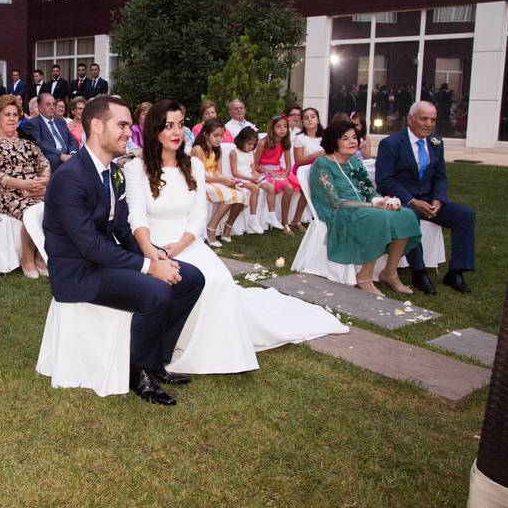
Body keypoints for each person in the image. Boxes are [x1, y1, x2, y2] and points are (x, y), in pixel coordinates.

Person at [123, 100, 346, 375]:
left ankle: (213, 350)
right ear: (154, 129)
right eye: (168, 126)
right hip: (153, 245)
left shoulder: (193, 165)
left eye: (180, 125)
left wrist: (178, 247)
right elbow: (137, 217)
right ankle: (170, 344)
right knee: (182, 284)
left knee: (220, 282)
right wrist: (151, 251)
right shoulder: (136, 168)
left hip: (187, 242)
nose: (176, 131)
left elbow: (198, 217)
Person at [42, 95, 205, 405]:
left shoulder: (111, 171)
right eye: (122, 125)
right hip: (77, 273)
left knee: (192, 278)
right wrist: (147, 267)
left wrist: (154, 253)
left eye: (129, 126)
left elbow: (120, 228)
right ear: (96, 126)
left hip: (101, 261)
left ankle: (156, 359)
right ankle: (138, 372)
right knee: (155, 292)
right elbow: (89, 246)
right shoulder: (70, 178)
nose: (129, 132)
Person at [375, 101, 476, 295]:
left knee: (466, 215)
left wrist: (438, 199)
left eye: (432, 120)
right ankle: (419, 273)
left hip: (430, 200)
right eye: (424, 119)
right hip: (404, 201)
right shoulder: (391, 143)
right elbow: (384, 180)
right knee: (409, 217)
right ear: (410, 119)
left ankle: (456, 272)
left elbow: (440, 176)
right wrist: (412, 201)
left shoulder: (436, 143)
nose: (429, 124)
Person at [313, 121, 423, 295]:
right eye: (345, 138)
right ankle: (363, 277)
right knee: (379, 218)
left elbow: (369, 191)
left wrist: (382, 200)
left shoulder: (354, 163)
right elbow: (334, 201)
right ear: (333, 141)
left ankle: (390, 272)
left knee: (405, 214)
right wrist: (372, 205)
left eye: (354, 137)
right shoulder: (322, 165)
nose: (353, 141)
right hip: (340, 212)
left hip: (365, 207)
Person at [0, 95, 50, 278]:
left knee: (55, 206)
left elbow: (44, 163)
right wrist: (22, 183)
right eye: (7, 114)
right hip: (5, 193)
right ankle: (27, 258)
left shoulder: (26, 143)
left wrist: (43, 179)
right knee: (32, 211)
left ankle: (41, 255)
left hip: (34, 189)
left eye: (15, 115)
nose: (11, 118)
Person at [190, 119, 247, 246]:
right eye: (216, 136)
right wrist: (221, 180)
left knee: (241, 195)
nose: (219, 139)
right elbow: (199, 175)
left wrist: (229, 180)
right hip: (200, 182)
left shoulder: (217, 150)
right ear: (205, 134)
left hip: (213, 179)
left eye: (221, 136)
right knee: (229, 195)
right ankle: (211, 229)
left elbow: (218, 172)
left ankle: (228, 227)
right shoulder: (198, 149)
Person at [254, 114, 303, 234]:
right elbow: (255, 165)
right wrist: (270, 172)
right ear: (272, 129)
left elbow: (289, 166)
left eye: (285, 126)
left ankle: (286, 221)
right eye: (279, 127)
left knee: (296, 187)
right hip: (265, 171)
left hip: (279, 171)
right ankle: (284, 223)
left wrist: (284, 175)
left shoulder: (285, 142)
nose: (282, 129)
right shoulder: (263, 143)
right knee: (288, 188)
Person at [229, 127, 275, 234]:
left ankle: (271, 216)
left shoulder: (250, 153)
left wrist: (259, 177)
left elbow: (253, 170)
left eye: (253, 145)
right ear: (241, 141)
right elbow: (235, 172)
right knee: (255, 188)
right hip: (239, 179)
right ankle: (253, 218)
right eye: (249, 144)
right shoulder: (234, 152)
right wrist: (250, 178)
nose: (251, 147)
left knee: (270, 187)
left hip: (250, 177)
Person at [21, 92, 79, 173]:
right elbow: (40, 143)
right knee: (54, 159)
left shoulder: (61, 122)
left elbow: (72, 140)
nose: (52, 107)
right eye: (48, 104)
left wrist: (73, 153)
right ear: (40, 107)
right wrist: (60, 154)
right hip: (52, 156)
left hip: (67, 154)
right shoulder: (33, 123)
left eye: (53, 104)